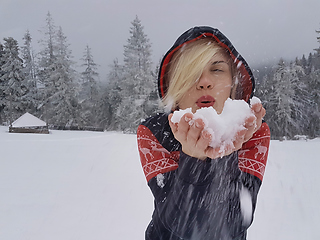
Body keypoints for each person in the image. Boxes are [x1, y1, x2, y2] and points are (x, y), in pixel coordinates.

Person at [137, 26, 270, 240]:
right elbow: (182, 226)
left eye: (216, 69)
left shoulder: (253, 131)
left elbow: (235, 221)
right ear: (175, 90)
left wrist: (226, 155)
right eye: (191, 73)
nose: (204, 82)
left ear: (233, 83)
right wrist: (193, 158)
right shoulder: (153, 133)